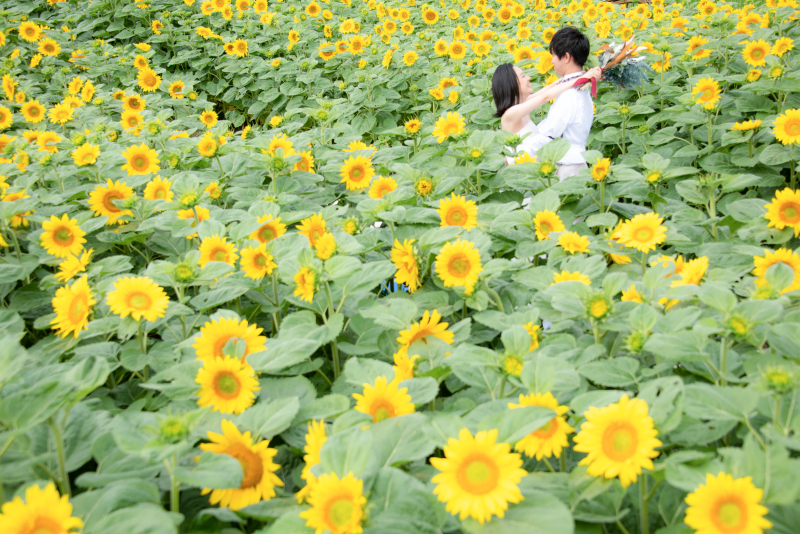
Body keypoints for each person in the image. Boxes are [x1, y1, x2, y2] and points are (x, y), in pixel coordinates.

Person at [493, 27, 599, 180]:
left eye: (554, 55)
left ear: (566, 57)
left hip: (556, 168)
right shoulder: (512, 113)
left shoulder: (569, 93)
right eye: (523, 76)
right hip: (526, 170)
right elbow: (545, 97)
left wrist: (580, 77)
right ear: (511, 85)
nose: (551, 60)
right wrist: (579, 78)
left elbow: (545, 94)